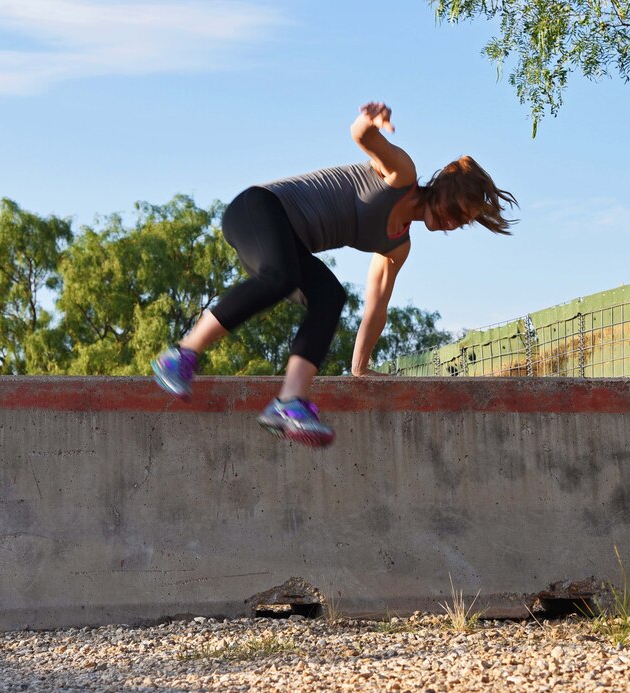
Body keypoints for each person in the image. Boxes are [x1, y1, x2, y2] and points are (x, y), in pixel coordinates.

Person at [151, 102, 517, 447]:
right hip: (257, 209)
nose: (451, 224)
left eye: (462, 223)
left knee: (330, 295)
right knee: (282, 275)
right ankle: (181, 354)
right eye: (454, 211)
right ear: (442, 191)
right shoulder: (401, 174)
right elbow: (362, 137)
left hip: (287, 247)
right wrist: (370, 120)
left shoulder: (397, 247)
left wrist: (360, 368)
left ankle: (289, 401)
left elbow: (376, 307)